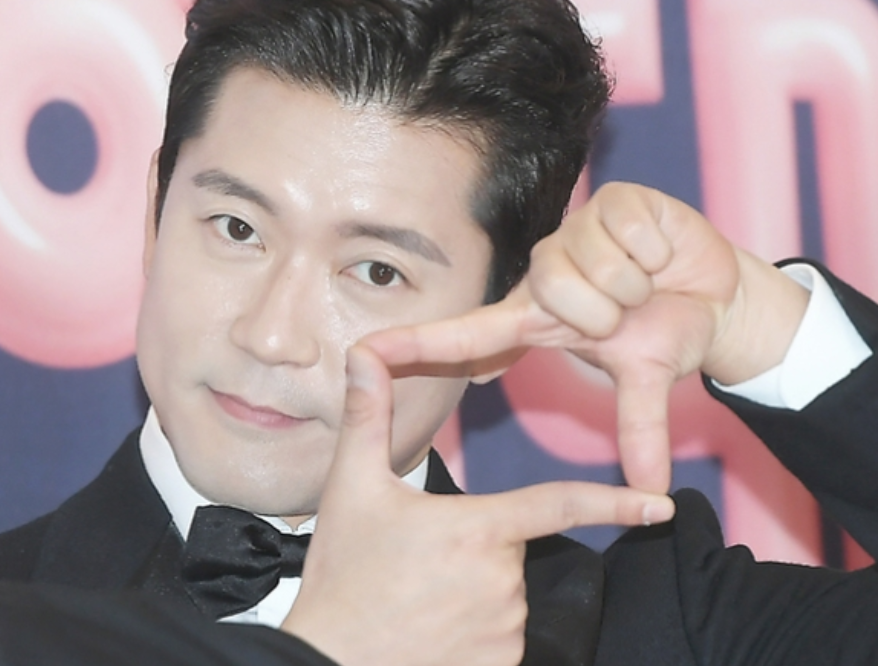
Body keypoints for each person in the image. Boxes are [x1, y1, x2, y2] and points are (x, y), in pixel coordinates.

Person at [0, 2, 674, 665]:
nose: (270, 336)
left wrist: (738, 331)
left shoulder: (635, 622)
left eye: (377, 271)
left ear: (506, 321)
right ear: (156, 213)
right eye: (238, 229)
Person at [368, 181, 878, 665]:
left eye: (378, 272)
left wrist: (753, 321)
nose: (297, 342)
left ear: (497, 318)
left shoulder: (664, 623)